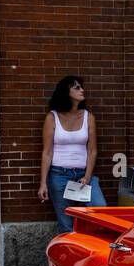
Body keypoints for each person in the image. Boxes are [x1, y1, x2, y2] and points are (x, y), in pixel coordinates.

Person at [37, 75, 106, 233]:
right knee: (66, 224)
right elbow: (47, 152)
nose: (82, 90)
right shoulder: (52, 117)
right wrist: (43, 183)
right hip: (59, 175)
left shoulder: (89, 117)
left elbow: (92, 150)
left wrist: (88, 177)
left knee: (99, 209)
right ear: (66, 92)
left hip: (83, 175)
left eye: (81, 87)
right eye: (77, 87)